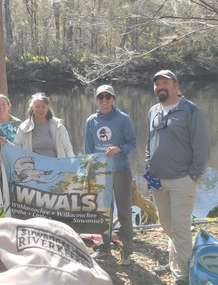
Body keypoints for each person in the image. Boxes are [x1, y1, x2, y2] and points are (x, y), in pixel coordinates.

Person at [146, 70, 210, 284]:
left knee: (180, 227)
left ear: (175, 84)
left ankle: (182, 275)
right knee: (167, 225)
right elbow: (149, 144)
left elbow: (201, 147)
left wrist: (193, 175)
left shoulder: (190, 110)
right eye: (157, 84)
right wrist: (148, 168)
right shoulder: (153, 111)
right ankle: (176, 261)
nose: (161, 87)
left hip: (182, 179)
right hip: (157, 180)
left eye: (165, 82)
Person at [84, 85, 136, 266]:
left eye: (108, 96)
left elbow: (132, 143)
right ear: (96, 100)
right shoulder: (91, 121)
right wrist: (89, 171)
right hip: (101, 173)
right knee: (104, 213)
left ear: (113, 98)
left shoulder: (123, 119)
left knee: (124, 212)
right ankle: (104, 248)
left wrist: (119, 149)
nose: (104, 100)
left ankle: (127, 251)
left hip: (121, 171)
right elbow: (88, 150)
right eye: (100, 97)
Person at [13, 92, 74, 158]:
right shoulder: (23, 128)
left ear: (47, 108)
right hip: (32, 167)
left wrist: (72, 164)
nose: (40, 109)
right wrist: (5, 143)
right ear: (32, 108)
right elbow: (16, 148)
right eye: (37, 106)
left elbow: (68, 149)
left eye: (43, 107)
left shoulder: (58, 126)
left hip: (56, 166)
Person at [0, 94, 22, 166]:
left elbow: (22, 146)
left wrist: (6, 142)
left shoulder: (17, 123)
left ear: (8, 106)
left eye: (3, 104)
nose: (1, 107)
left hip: (13, 164)